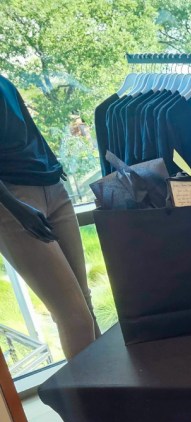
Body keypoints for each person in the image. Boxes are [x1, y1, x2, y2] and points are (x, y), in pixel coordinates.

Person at [0, 74, 98, 360]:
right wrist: (15, 208)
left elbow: (28, 127)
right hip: (13, 200)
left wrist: (53, 163)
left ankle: (112, 397)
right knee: (74, 317)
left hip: (51, 186)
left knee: (86, 306)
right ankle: (90, 404)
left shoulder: (3, 80)